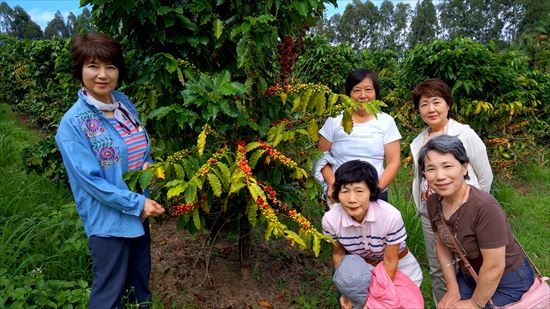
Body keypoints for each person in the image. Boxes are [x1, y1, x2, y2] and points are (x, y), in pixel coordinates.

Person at [55, 32, 165, 308]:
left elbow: (139, 145)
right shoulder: (72, 125)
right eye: (93, 66)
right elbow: (92, 182)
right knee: (109, 294)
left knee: (138, 283)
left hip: (139, 214)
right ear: (80, 70)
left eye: (110, 67)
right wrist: (138, 203)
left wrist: (147, 165)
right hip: (109, 222)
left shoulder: (124, 103)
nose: (103, 75)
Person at [418, 135, 533, 309]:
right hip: (470, 274)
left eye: (448, 166)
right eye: (431, 169)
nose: (440, 176)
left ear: (464, 168)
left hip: (508, 280)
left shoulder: (485, 208)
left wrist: (474, 304)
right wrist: (452, 288)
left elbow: (494, 267)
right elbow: (441, 243)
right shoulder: (433, 202)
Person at [410, 78, 493, 303]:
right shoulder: (418, 142)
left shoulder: (464, 134)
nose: (431, 109)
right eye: (424, 104)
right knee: (438, 268)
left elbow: (485, 175)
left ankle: (475, 304)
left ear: (448, 104)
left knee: (471, 265)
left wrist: (473, 206)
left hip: (466, 215)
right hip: (431, 215)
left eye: (436, 102)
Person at [322, 160, 423, 308]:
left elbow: (390, 262)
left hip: (398, 266)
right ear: (337, 193)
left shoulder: (390, 216)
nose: (351, 199)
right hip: (363, 269)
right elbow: (338, 254)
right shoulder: (331, 220)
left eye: (359, 191)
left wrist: (373, 300)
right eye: (344, 191)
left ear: (371, 192)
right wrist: (348, 291)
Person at [315, 69, 401, 204]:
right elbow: (321, 157)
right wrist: (332, 186)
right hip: (340, 193)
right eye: (356, 90)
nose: (363, 96)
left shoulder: (386, 121)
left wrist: (376, 190)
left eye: (368, 89)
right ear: (348, 94)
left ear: (376, 93)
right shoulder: (334, 120)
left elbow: (393, 161)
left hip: (376, 194)